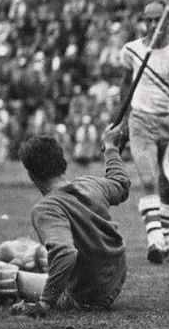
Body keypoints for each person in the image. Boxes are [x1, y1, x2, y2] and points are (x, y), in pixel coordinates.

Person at [9, 122, 132, 317]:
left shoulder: (46, 208)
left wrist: (44, 303)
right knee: (23, 254)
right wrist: (111, 149)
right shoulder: (90, 184)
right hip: (114, 276)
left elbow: (66, 253)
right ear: (62, 161)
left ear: (32, 175)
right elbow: (121, 184)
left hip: (88, 296)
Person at [118, 1, 169, 264]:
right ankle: (154, 240)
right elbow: (125, 85)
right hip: (141, 121)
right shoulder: (132, 50)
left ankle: (164, 242)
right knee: (147, 180)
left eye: (160, 20)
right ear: (143, 21)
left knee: (167, 186)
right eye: (149, 20)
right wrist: (121, 120)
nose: (154, 25)